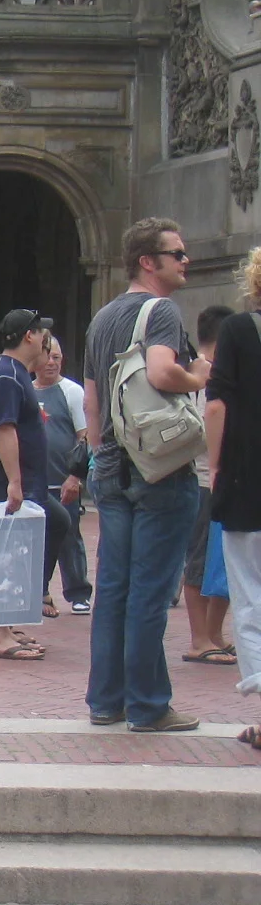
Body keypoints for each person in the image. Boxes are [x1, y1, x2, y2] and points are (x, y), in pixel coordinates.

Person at [83, 218, 212, 731]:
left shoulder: (102, 317)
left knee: (113, 587)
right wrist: (199, 373)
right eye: (176, 253)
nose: (185, 261)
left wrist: (99, 458)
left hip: (111, 467)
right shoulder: (161, 311)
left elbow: (92, 399)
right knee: (150, 591)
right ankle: (149, 705)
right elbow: (161, 373)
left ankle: (105, 701)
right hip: (159, 467)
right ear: (147, 261)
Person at [0, 310, 69, 661]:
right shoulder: (5, 376)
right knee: (5, 552)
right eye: (42, 333)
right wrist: (14, 481)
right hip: (9, 484)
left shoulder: (16, 375)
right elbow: (4, 429)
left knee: (55, 524)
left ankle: (9, 621)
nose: (47, 340)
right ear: (28, 336)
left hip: (28, 484)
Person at [207, 249, 261, 739]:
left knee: (250, 594)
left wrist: (217, 465)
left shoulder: (240, 330)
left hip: (249, 484)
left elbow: (217, 404)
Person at [182, 307, 238, 664]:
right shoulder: (202, 375)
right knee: (200, 561)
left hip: (226, 481)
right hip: (204, 480)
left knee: (226, 562)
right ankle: (199, 638)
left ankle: (215, 633)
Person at [33, 335, 93, 615]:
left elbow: (85, 436)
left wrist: (76, 477)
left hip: (64, 482)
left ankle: (78, 592)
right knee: (35, 541)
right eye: (48, 357)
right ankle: (39, 592)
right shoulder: (26, 391)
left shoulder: (72, 392)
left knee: (70, 537)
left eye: (58, 357)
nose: (53, 363)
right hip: (35, 484)